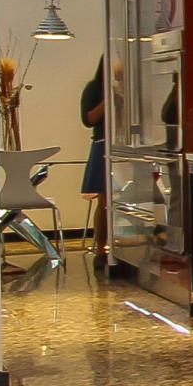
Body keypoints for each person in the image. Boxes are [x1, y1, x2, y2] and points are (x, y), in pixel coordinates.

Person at [82, 69, 107, 252]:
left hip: (126, 144)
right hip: (103, 144)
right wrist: (109, 100)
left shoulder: (130, 87)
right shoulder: (93, 88)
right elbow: (88, 119)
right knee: (104, 200)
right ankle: (101, 246)